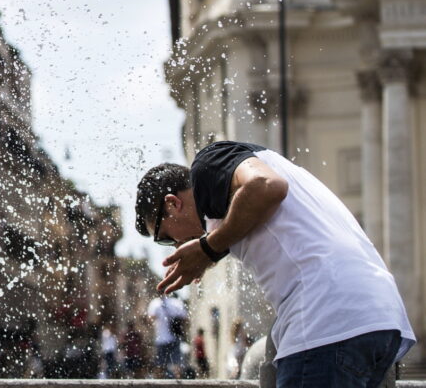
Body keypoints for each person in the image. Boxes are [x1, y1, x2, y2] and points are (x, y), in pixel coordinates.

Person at [135, 140, 416, 388]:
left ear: (172, 204)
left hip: (326, 325)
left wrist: (208, 249)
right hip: (379, 321)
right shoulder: (235, 197)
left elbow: (267, 186)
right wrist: (209, 253)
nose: (175, 246)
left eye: (164, 237)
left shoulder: (208, 163)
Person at [147, 293, 187, 378]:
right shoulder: (176, 303)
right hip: (175, 337)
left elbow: (150, 319)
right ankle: (178, 383)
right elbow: (185, 318)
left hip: (161, 339)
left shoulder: (155, 303)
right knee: (176, 364)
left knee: (160, 365)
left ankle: (159, 384)